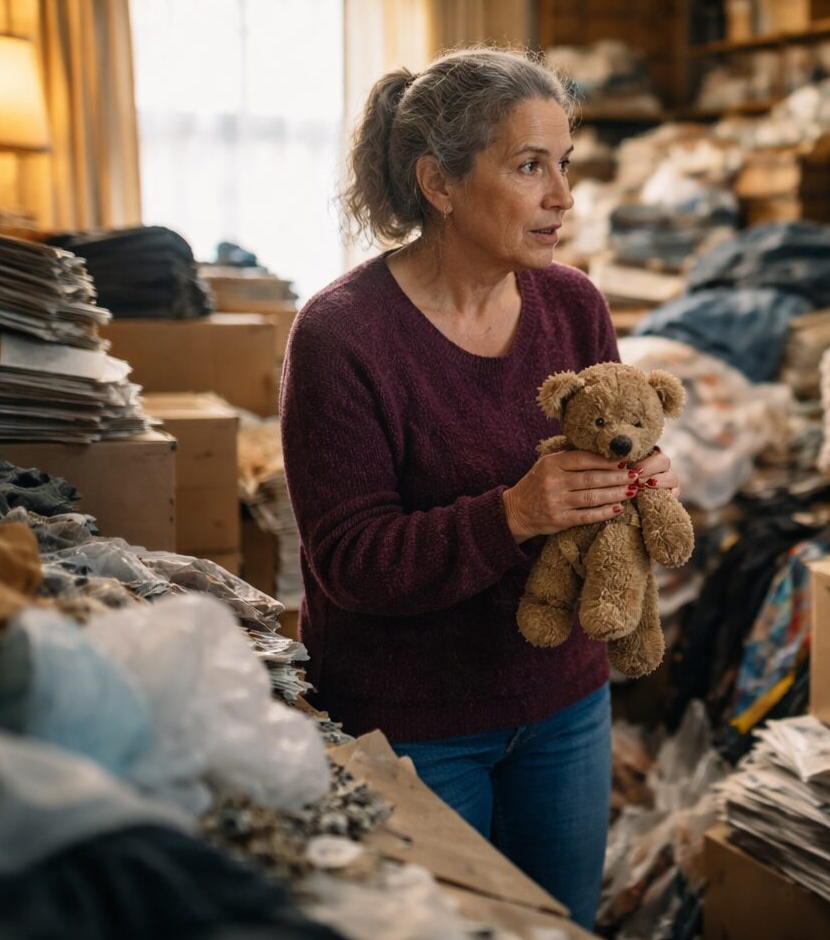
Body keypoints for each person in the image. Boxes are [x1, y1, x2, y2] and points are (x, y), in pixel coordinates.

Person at [279, 46, 680, 929]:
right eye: (530, 166)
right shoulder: (341, 335)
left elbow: (608, 445)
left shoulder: (574, 303)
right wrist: (514, 514)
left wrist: (639, 480)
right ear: (441, 182)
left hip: (563, 700)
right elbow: (349, 560)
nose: (563, 196)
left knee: (559, 921)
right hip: (412, 721)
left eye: (564, 165)